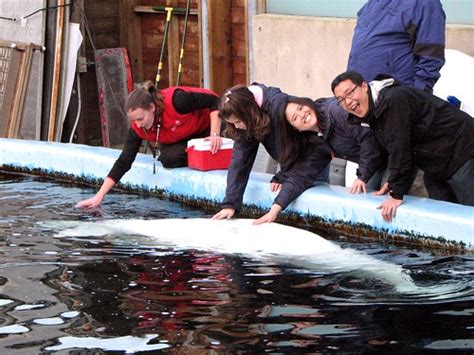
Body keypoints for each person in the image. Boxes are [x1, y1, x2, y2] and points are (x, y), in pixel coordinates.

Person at [331, 71, 474, 222]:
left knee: (470, 212)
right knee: (443, 218)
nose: (348, 102)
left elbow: (400, 148)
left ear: (364, 86)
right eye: (341, 100)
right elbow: (394, 147)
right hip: (436, 163)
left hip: (462, 151)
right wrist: (393, 181)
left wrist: (397, 193)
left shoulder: (394, 100)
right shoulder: (372, 112)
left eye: (350, 93)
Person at [77, 81, 222, 209]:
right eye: (135, 121)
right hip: (180, 136)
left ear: (152, 107)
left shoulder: (177, 100)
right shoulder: (138, 127)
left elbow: (215, 101)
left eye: (141, 118)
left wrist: (214, 134)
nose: (139, 124)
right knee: (169, 159)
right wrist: (99, 196)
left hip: (207, 128)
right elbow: (124, 161)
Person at [212, 84, 332, 225]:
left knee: (313, 205)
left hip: (312, 159)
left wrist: (285, 175)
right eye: (233, 124)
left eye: (238, 122)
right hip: (293, 164)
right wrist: (230, 204)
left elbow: (300, 147)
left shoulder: (277, 107)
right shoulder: (247, 117)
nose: (237, 126)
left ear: (249, 112)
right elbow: (240, 159)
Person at [284, 95, 386, 194]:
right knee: (364, 197)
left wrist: (362, 177)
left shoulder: (336, 111)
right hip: (375, 165)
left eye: (301, 108)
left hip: (392, 156)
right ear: (296, 129)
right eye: (295, 118)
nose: (302, 114)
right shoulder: (315, 140)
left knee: (387, 196)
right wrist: (280, 178)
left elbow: (368, 139)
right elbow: (305, 170)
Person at [348, 0, 446, 93]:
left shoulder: (424, 3)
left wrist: (416, 96)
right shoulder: (373, 3)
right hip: (359, 96)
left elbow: (431, 57)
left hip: (395, 97)